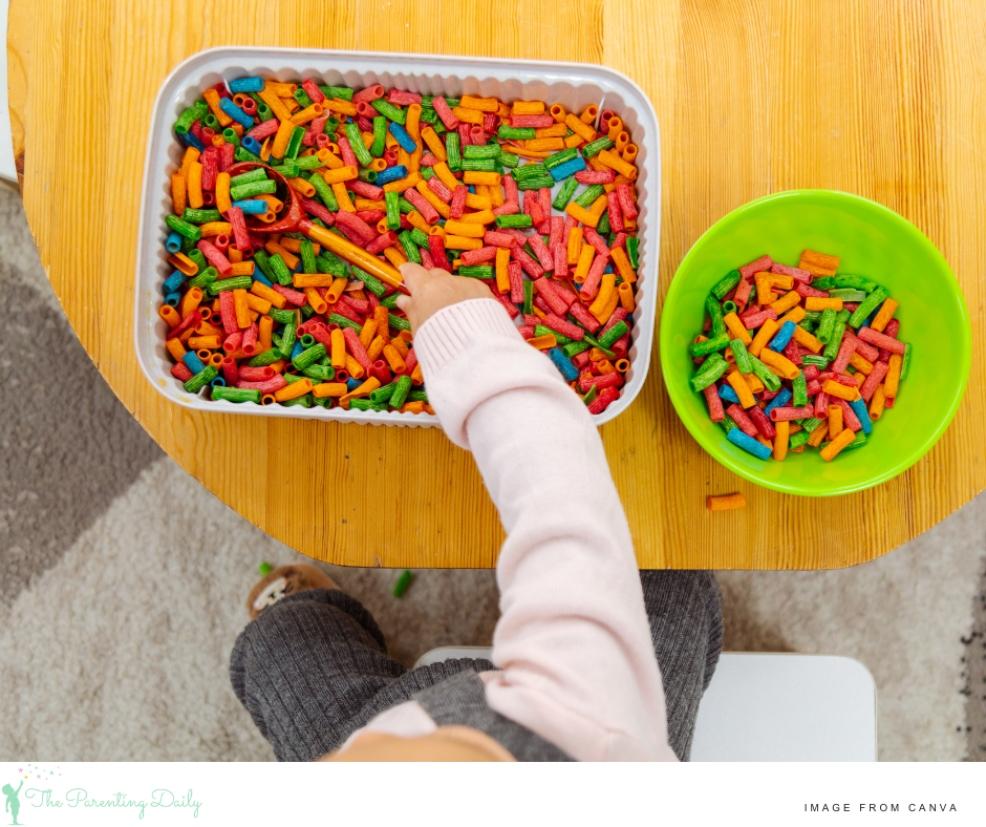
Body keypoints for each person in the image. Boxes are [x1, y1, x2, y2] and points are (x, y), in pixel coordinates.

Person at [230, 263, 723, 761]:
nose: (379, 741)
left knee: (280, 645)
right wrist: (467, 335)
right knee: (670, 585)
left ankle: (298, 614)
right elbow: (562, 500)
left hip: (368, 712)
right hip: (590, 719)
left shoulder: (363, 748)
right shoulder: (596, 727)